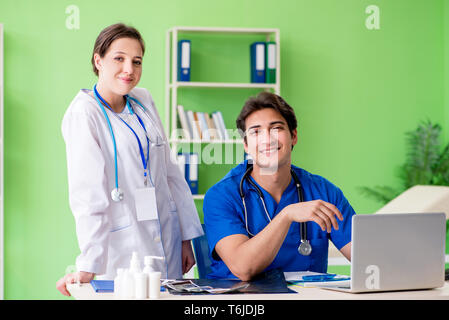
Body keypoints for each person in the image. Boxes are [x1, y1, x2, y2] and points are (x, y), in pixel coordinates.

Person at [56, 23, 203, 296]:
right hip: (124, 246)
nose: (129, 69)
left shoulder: (143, 99)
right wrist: (89, 263)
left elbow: (170, 171)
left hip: (167, 237)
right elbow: (88, 194)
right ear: (98, 60)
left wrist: (185, 238)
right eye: (119, 59)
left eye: (137, 62)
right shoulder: (84, 113)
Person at [203, 92, 355, 281]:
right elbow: (244, 268)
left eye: (276, 128)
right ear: (246, 144)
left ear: (294, 136)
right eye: (256, 131)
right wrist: (286, 215)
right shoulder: (221, 196)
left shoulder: (324, 192)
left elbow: (366, 259)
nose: (267, 139)